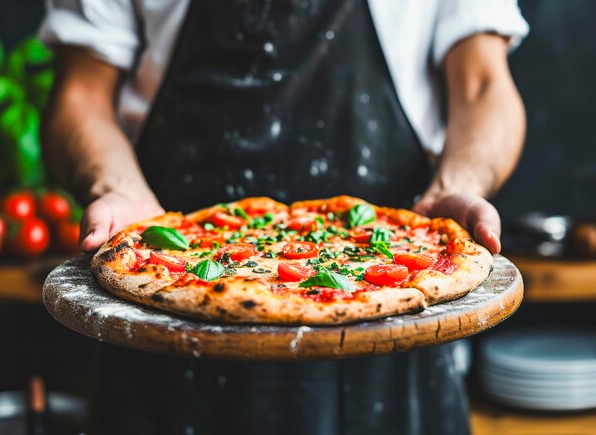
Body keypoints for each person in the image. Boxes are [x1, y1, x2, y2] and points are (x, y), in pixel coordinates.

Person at [40, 1, 528, 433]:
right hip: (163, 332)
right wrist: (116, 188)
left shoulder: (431, 251)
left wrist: (458, 185)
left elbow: (483, 84)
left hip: (397, 343)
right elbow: (81, 95)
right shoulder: (144, 256)